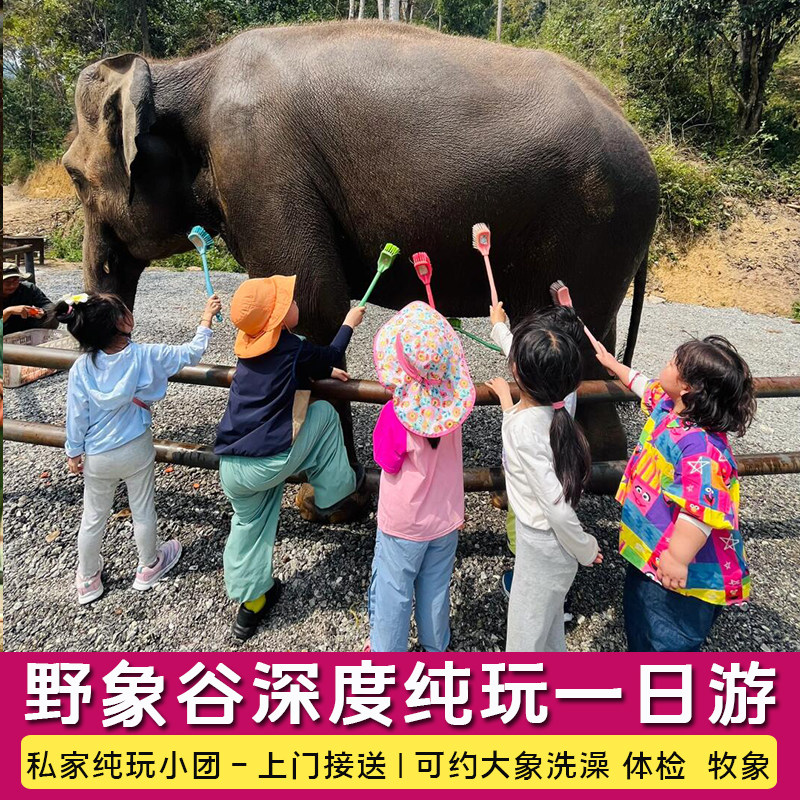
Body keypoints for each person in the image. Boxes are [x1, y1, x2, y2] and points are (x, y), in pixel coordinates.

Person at [215, 276, 369, 641]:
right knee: (324, 414)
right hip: (269, 460)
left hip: (232, 465)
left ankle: (251, 605)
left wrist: (323, 370)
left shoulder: (248, 347)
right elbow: (329, 353)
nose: (296, 303)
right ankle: (334, 494)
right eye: (290, 302)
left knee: (249, 525)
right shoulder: (293, 347)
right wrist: (349, 323)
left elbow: (292, 368)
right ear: (280, 318)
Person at [592, 335, 756, 651]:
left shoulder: (700, 451)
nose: (665, 365)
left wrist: (677, 559)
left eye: (672, 363)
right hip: (655, 553)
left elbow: (699, 512)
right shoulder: (672, 407)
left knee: (663, 636)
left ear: (687, 388)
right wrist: (613, 365)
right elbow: (644, 386)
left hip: (680, 572)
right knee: (641, 623)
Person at [58, 291, 222, 605]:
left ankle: (88, 579)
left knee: (93, 516)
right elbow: (192, 352)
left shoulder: (82, 367)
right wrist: (206, 317)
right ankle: (149, 566)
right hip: (135, 447)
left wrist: (73, 452)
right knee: (142, 509)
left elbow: (75, 416)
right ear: (125, 322)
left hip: (97, 454)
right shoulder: (146, 355)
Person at [487, 313, 602, 652]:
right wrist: (507, 400)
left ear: (516, 370)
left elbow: (558, 509)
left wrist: (585, 547)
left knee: (524, 636)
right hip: (548, 547)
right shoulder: (555, 415)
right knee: (547, 628)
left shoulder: (526, 430)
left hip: (544, 546)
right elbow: (520, 423)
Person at [369, 301, 475, 651]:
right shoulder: (453, 410)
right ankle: (435, 647)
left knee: (394, 590)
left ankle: (387, 655)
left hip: (404, 524)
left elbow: (386, 461)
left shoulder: (394, 415)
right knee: (435, 588)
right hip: (445, 518)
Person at [2, 264, 58, 336]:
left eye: (15, 281)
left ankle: (41, 338)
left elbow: (48, 305)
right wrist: (8, 311)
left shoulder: (28, 288)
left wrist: (43, 312)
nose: (12, 286)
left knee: (53, 312)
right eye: (7, 282)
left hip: (25, 328)